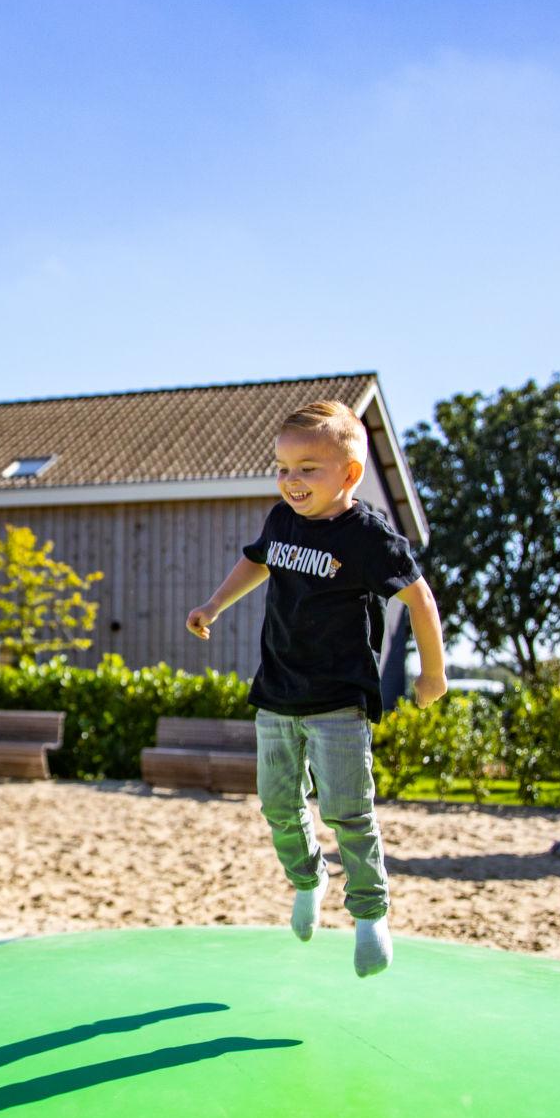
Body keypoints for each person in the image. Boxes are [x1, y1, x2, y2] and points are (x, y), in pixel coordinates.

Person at [187, 400, 447, 977]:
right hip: (277, 693)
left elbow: (420, 599)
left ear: (349, 475)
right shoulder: (281, 521)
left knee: (348, 812)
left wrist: (433, 673)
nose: (292, 480)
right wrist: (213, 604)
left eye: (308, 468)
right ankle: (308, 880)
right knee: (279, 807)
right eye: (283, 468)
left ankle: (371, 913)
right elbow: (258, 562)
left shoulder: (367, 537)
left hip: (339, 701)